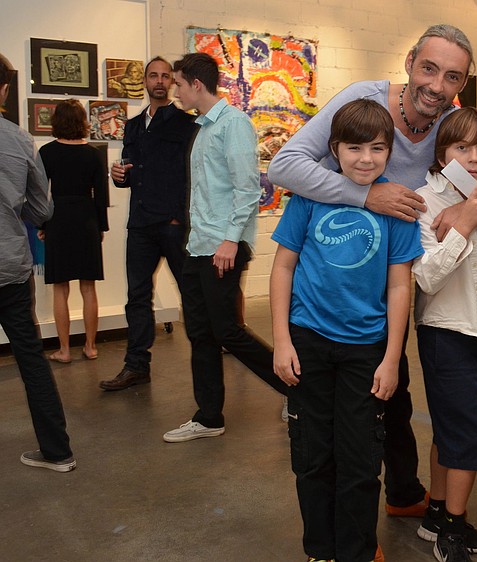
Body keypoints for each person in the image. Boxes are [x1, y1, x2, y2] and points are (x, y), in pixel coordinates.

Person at [267, 23, 477, 520]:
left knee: (392, 388)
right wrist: (367, 194)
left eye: (452, 77)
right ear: (409, 62)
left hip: (405, 278)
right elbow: (285, 165)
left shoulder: (454, 127)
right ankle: (390, 498)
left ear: (462, 84)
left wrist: (471, 213)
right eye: (429, 68)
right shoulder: (364, 101)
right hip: (335, 287)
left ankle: (403, 494)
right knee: (369, 402)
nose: (437, 85)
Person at [270, 98, 421, 562]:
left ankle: (357, 550)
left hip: (366, 351)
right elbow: (282, 267)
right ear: (334, 149)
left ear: (389, 151)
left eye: (377, 148)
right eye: (354, 148)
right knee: (313, 457)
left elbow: (400, 284)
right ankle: (320, 550)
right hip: (308, 343)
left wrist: (392, 357)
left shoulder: (396, 206)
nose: (366, 159)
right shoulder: (310, 198)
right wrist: (281, 340)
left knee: (359, 462)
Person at [162, 52, 287, 443]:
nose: (174, 90)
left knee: (227, 332)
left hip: (223, 246)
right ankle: (209, 416)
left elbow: (248, 188)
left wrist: (231, 239)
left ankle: (295, 388)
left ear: (196, 84)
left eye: (178, 84)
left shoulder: (233, 125)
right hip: (199, 245)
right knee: (199, 332)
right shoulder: (204, 127)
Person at [412, 107, 477, 561]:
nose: (474, 158)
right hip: (444, 331)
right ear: (441, 153)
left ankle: (436, 513)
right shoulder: (425, 201)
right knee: (471, 432)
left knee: (452, 428)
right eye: (462, 147)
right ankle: (453, 528)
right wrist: (464, 226)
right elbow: (425, 277)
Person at [99, 57, 198, 391]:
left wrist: (178, 215)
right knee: (137, 297)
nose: (159, 80)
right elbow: (130, 172)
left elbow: (192, 174)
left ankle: (206, 357)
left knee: (192, 295)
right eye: (153, 75)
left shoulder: (186, 124)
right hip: (140, 224)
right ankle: (136, 365)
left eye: (165, 76)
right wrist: (118, 176)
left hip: (172, 224)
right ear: (144, 81)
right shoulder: (133, 125)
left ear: (172, 82)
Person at [0, 53, 75, 472]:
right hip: (10, 267)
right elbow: (41, 210)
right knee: (31, 358)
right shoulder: (18, 140)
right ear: (5, 89)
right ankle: (58, 452)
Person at [38, 99, 108, 363]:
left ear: (57, 121)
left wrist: (42, 224)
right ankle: (90, 347)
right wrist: (100, 226)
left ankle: (65, 350)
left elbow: (39, 195)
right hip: (86, 218)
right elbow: (100, 195)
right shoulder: (93, 154)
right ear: (82, 122)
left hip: (58, 218)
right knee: (89, 287)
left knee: (60, 288)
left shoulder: (47, 152)